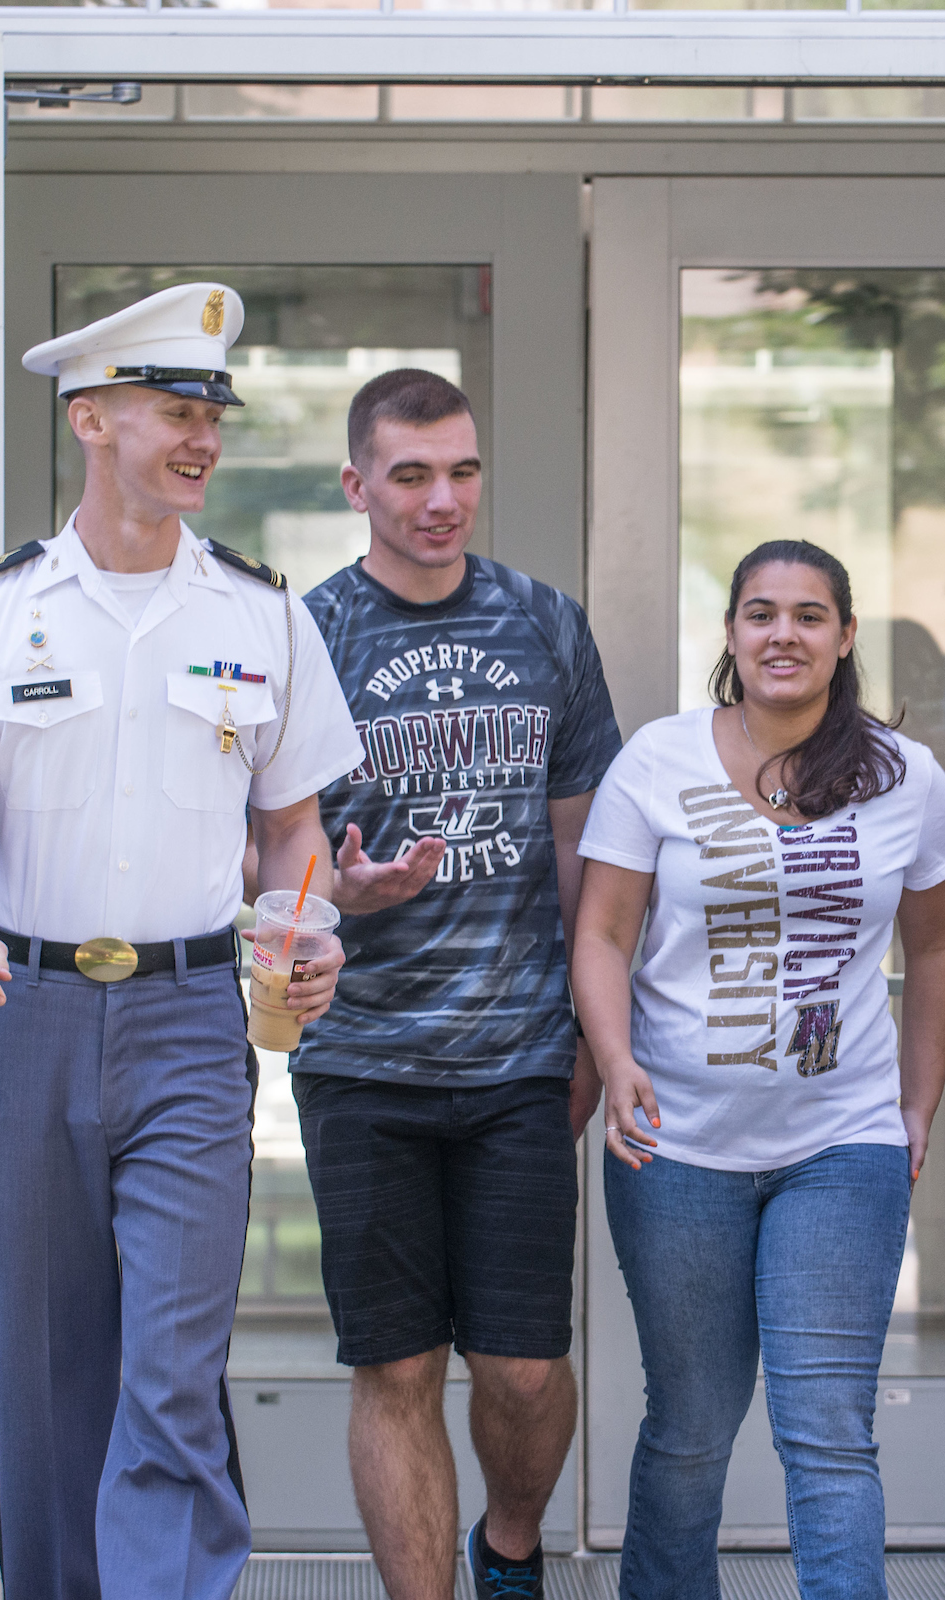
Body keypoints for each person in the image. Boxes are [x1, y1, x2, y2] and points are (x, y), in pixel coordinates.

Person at [0, 283, 367, 1600]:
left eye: (212, 413)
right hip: (29, 1015)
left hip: (192, 1024)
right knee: (46, 1376)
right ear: (91, 420)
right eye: (173, 410)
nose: (203, 436)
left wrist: (302, 928)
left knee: (173, 1369)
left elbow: (292, 826)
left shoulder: (263, 613)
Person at [573, 539, 945, 1600]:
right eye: (760, 613)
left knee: (829, 1432)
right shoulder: (657, 761)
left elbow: (936, 950)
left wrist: (916, 1104)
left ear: (845, 636)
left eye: (807, 615)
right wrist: (615, 1060)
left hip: (842, 1147)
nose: (782, 634)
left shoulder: (906, 776)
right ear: (732, 633)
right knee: (692, 1426)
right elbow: (601, 934)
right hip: (677, 1149)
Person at [289, 368, 621, 1600]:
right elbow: (271, 851)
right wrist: (341, 894)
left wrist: (592, 1034)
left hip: (520, 1059)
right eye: (413, 475)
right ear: (357, 483)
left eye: (463, 471)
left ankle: (511, 1550)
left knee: (524, 1366)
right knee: (397, 1367)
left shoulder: (545, 623)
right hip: (359, 1061)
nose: (442, 500)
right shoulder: (308, 636)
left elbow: (588, 851)